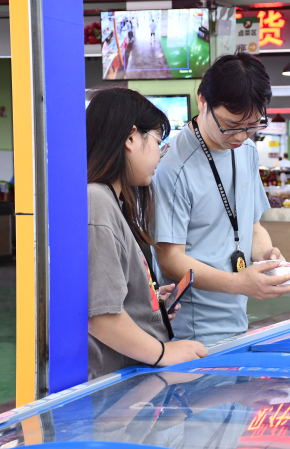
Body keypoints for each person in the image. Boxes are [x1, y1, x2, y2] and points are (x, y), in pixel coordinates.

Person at [153, 53, 290, 346]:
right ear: (202, 102)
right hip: (190, 328)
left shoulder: (246, 152)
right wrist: (238, 283)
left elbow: (253, 226)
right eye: (230, 125)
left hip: (236, 317)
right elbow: (169, 258)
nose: (240, 136)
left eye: (252, 126)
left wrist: (268, 257)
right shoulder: (173, 166)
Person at [86, 88, 207, 380]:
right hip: (109, 392)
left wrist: (148, 303)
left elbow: (110, 296)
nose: (159, 153)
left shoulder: (109, 201)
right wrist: (163, 353)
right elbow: (101, 316)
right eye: (157, 141)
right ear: (130, 138)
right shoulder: (96, 201)